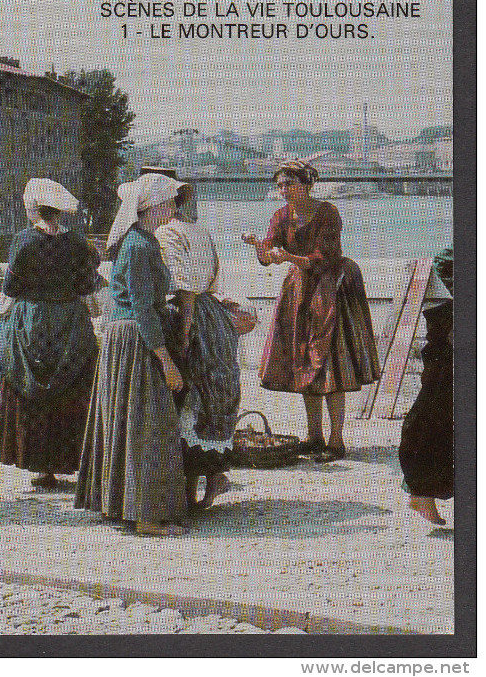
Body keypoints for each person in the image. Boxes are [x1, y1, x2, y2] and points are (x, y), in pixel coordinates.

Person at [75, 173, 190, 536]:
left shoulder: (141, 242)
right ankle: (146, 516)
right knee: (148, 424)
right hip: (135, 339)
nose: (174, 209)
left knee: (128, 421)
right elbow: (142, 308)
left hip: (125, 338)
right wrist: (166, 360)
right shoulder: (139, 246)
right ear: (152, 207)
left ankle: (122, 504)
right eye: (170, 202)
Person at [242, 159, 380, 463]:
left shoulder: (327, 212)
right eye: (279, 185)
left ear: (307, 184)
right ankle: (314, 436)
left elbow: (323, 258)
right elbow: (269, 254)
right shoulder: (281, 215)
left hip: (331, 289)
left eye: (289, 183)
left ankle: (336, 440)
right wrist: (259, 247)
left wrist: (288, 256)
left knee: (332, 365)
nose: (283, 190)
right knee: (304, 358)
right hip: (300, 290)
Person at [0, 178, 101, 489]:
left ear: (34, 210)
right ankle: (72, 460)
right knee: (72, 387)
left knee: (31, 385)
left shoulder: (24, 241)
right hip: (70, 320)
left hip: (34, 320)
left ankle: (42, 467)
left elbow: (10, 287)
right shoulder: (79, 243)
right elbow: (86, 285)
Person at [154, 177, 240, 511]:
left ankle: (191, 489)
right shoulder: (201, 231)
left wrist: (184, 332)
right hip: (213, 313)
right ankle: (211, 478)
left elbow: (184, 286)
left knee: (187, 397)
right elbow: (213, 278)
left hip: (188, 313)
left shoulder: (166, 234)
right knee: (212, 395)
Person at [399, 247, 453, 525]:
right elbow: (446, 262)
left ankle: (423, 492)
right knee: (434, 416)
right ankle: (421, 492)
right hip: (450, 344)